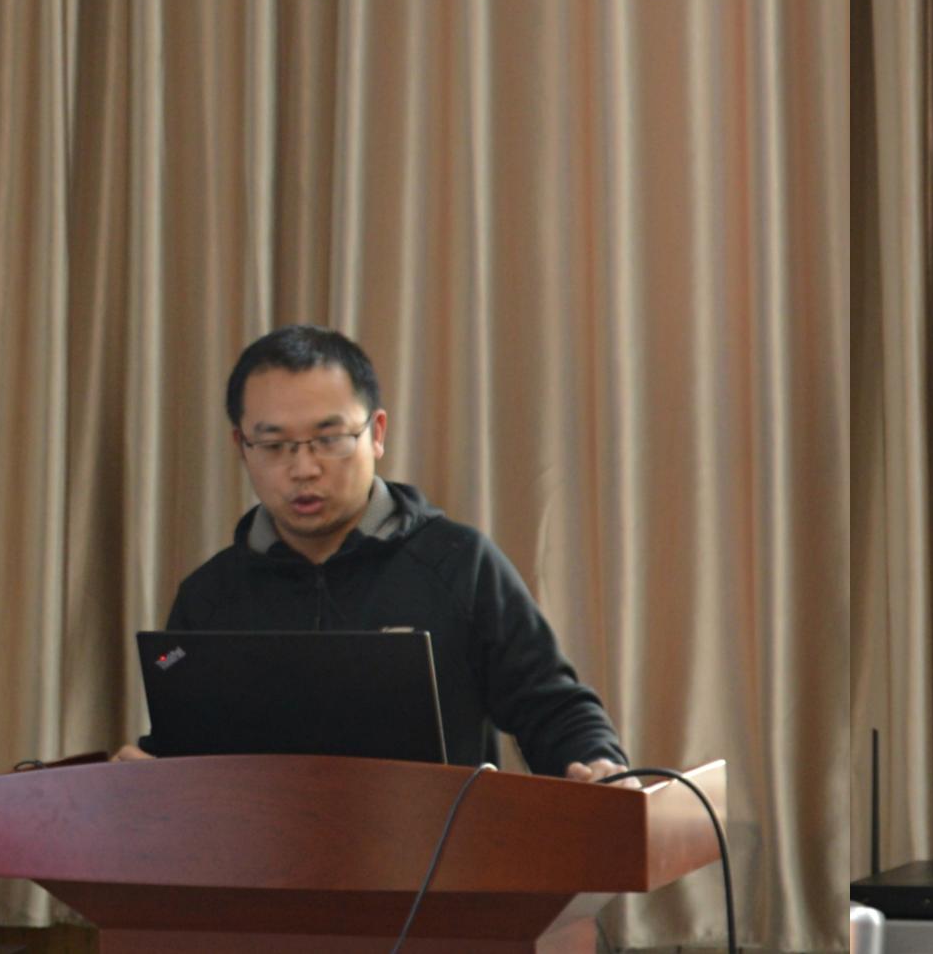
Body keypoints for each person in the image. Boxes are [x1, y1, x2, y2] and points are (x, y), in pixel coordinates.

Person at [115, 325, 629, 783]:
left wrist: (597, 762)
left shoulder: (458, 564)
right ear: (241, 446)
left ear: (376, 433)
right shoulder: (209, 597)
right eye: (273, 445)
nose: (304, 469)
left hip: (437, 856)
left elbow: (552, 708)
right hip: (259, 860)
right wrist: (143, 775)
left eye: (329, 439)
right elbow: (186, 753)